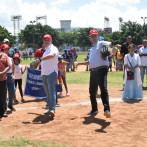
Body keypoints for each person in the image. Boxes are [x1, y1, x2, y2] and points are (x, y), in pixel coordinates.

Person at [77, 29, 111, 118]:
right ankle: (94, 109)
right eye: (91, 36)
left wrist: (105, 47)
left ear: (97, 36)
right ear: (90, 38)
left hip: (102, 70)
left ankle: (107, 109)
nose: (93, 37)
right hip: (93, 71)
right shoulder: (92, 49)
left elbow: (109, 42)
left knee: (103, 89)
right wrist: (80, 63)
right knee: (92, 91)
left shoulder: (101, 43)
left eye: (95, 35)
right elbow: (90, 62)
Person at [40, 34, 59, 117]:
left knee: (51, 91)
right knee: (47, 92)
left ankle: (52, 109)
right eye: (45, 40)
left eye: (48, 40)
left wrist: (41, 59)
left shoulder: (53, 48)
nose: (46, 41)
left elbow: (52, 55)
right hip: (44, 73)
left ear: (51, 41)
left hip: (51, 72)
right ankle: (50, 107)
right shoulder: (46, 50)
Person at [1, 44, 16, 111]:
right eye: (6, 49)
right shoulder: (1, 58)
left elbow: (14, 69)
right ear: (2, 50)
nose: (7, 51)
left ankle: (10, 105)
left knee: (13, 90)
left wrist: (14, 76)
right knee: (4, 92)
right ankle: (4, 107)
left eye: (8, 49)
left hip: (10, 76)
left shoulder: (10, 59)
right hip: (2, 76)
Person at [0, 44, 11, 119]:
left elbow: (9, 66)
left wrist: (2, 73)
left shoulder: (5, 56)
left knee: (3, 96)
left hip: (3, 80)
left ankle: (2, 112)